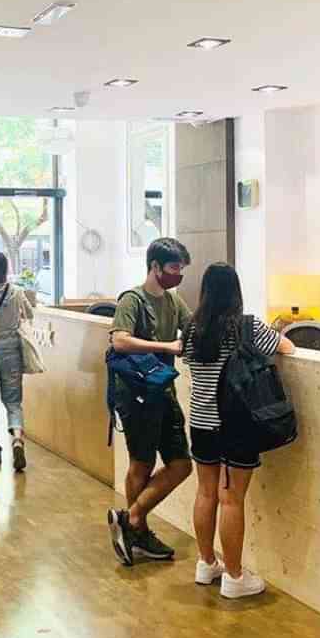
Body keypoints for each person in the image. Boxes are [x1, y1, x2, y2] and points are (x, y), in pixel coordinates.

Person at [184, 262, 294, 599]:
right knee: (231, 498)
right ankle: (234, 577)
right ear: (236, 292)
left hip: (201, 421)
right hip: (236, 424)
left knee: (205, 493)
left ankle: (206, 564)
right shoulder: (245, 328)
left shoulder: (191, 329)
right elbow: (286, 348)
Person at [107, 237, 194, 565]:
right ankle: (138, 530)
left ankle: (130, 519)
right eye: (174, 267)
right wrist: (167, 347)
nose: (178, 274)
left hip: (164, 392)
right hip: (136, 394)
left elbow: (193, 327)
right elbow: (120, 341)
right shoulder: (133, 299)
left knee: (181, 464)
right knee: (141, 463)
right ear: (155, 266)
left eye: (181, 268)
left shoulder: (173, 301)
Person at [0, 252, 34, 471]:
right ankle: (18, 437)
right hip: (13, 350)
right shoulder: (16, 291)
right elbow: (29, 314)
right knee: (13, 401)